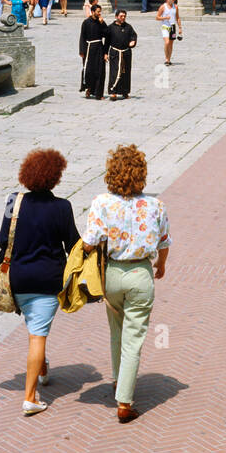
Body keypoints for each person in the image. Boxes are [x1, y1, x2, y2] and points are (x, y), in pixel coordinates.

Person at [82, 145, 170, 423]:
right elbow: (165, 242)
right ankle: (125, 401)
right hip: (140, 274)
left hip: (111, 274)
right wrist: (161, 265)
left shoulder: (101, 203)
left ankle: (118, 379)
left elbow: (89, 241)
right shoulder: (156, 206)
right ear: (141, 174)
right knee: (134, 337)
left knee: (116, 330)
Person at [0, 148, 80, 416]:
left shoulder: (13, 201)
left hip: (18, 279)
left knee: (35, 327)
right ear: (55, 178)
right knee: (37, 336)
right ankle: (30, 397)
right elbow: (74, 245)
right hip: (47, 280)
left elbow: (2, 240)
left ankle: (42, 369)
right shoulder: (62, 207)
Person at [105, 9, 137, 99]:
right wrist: (105, 53)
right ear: (116, 17)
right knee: (114, 72)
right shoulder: (110, 27)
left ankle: (125, 92)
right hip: (115, 53)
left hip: (126, 52)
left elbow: (133, 36)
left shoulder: (128, 27)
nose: (123, 18)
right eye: (121, 16)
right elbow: (107, 42)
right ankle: (113, 92)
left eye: (124, 16)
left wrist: (133, 42)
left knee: (126, 72)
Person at [79, 2, 108, 99]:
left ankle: (99, 94)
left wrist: (102, 23)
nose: (99, 13)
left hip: (99, 48)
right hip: (89, 48)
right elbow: (82, 37)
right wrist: (82, 51)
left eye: (100, 12)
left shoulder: (100, 22)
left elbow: (107, 34)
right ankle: (88, 88)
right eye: (98, 12)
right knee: (89, 71)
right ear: (92, 12)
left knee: (100, 71)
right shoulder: (86, 22)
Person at [156, 0, 182, 66]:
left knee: (171, 44)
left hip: (173, 27)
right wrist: (165, 18)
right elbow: (157, 17)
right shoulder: (163, 7)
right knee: (167, 42)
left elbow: (177, 18)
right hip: (165, 27)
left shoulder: (176, 6)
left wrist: (180, 28)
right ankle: (166, 58)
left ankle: (169, 59)